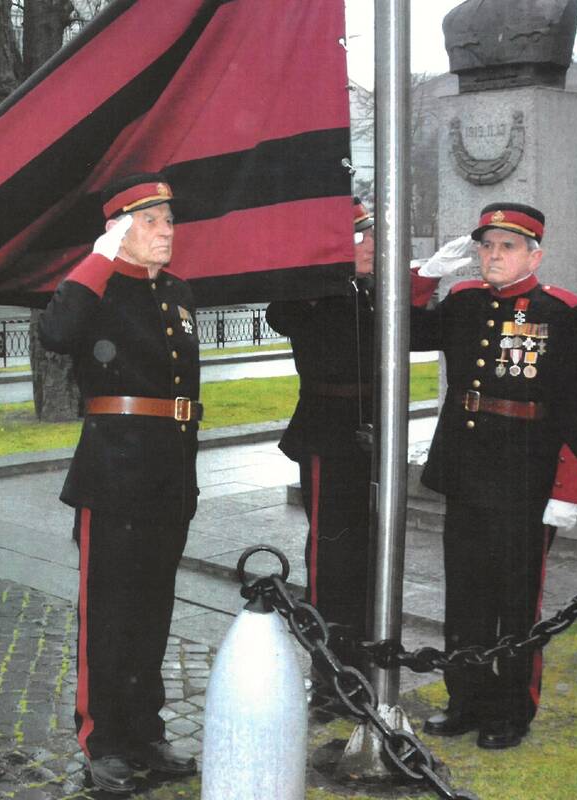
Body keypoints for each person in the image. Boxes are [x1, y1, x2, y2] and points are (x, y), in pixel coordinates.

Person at [410, 203, 577, 750]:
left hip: (526, 480)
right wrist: (425, 278)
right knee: (465, 598)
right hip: (467, 472)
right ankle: (464, 699)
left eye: (507, 246)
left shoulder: (562, 312)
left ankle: (511, 709)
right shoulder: (464, 301)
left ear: (534, 255)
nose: (493, 255)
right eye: (487, 245)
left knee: (515, 603)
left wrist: (568, 490)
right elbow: (407, 332)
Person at [38, 173, 199, 795]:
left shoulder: (179, 293)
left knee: (154, 609)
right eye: (152, 221)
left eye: (169, 220)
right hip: (114, 474)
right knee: (108, 612)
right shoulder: (95, 288)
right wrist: (97, 259)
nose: (167, 231)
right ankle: (101, 739)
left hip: (167, 472)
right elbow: (55, 334)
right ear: (120, 231)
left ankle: (144, 731)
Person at [264, 198, 377, 700]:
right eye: (361, 236)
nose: (372, 243)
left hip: (373, 432)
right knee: (331, 557)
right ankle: (331, 673)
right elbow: (280, 314)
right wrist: (332, 267)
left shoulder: (372, 289)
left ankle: (368, 658)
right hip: (328, 434)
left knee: (371, 552)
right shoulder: (309, 290)